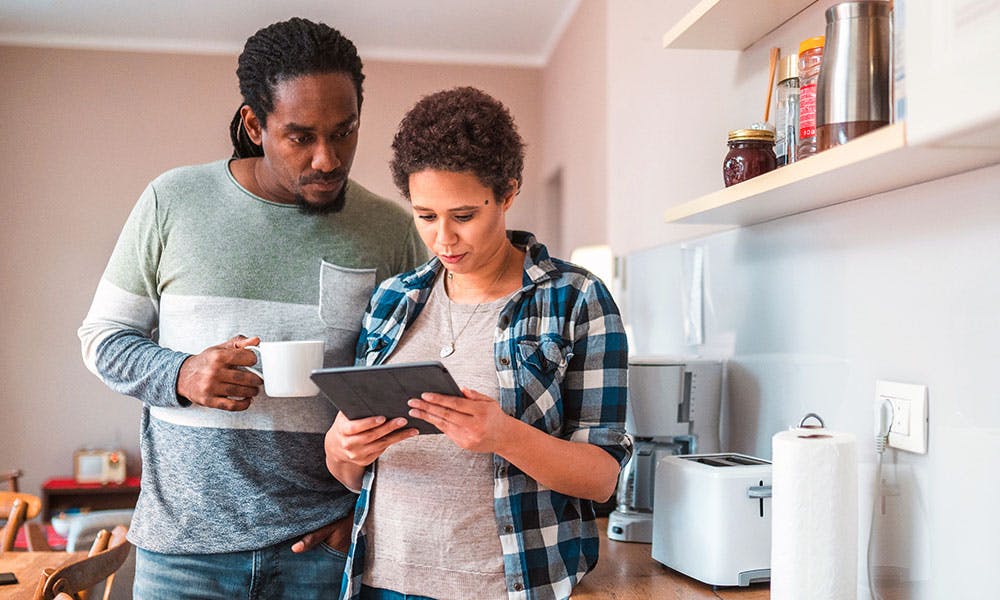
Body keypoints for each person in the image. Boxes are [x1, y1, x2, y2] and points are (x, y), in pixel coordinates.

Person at [78, 17, 426, 599]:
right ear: (253, 124)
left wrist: (364, 512)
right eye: (301, 136)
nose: (326, 158)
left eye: (344, 132)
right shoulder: (172, 202)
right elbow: (101, 338)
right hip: (183, 555)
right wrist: (182, 372)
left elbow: (416, 390)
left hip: (325, 551)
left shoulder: (390, 230)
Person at [324, 87, 632, 600]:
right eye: (426, 216)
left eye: (463, 216)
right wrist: (342, 448)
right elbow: (352, 476)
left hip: (510, 586)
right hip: (380, 583)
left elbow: (602, 478)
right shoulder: (391, 299)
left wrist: (503, 435)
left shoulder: (576, 298)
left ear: (507, 193)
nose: (444, 238)